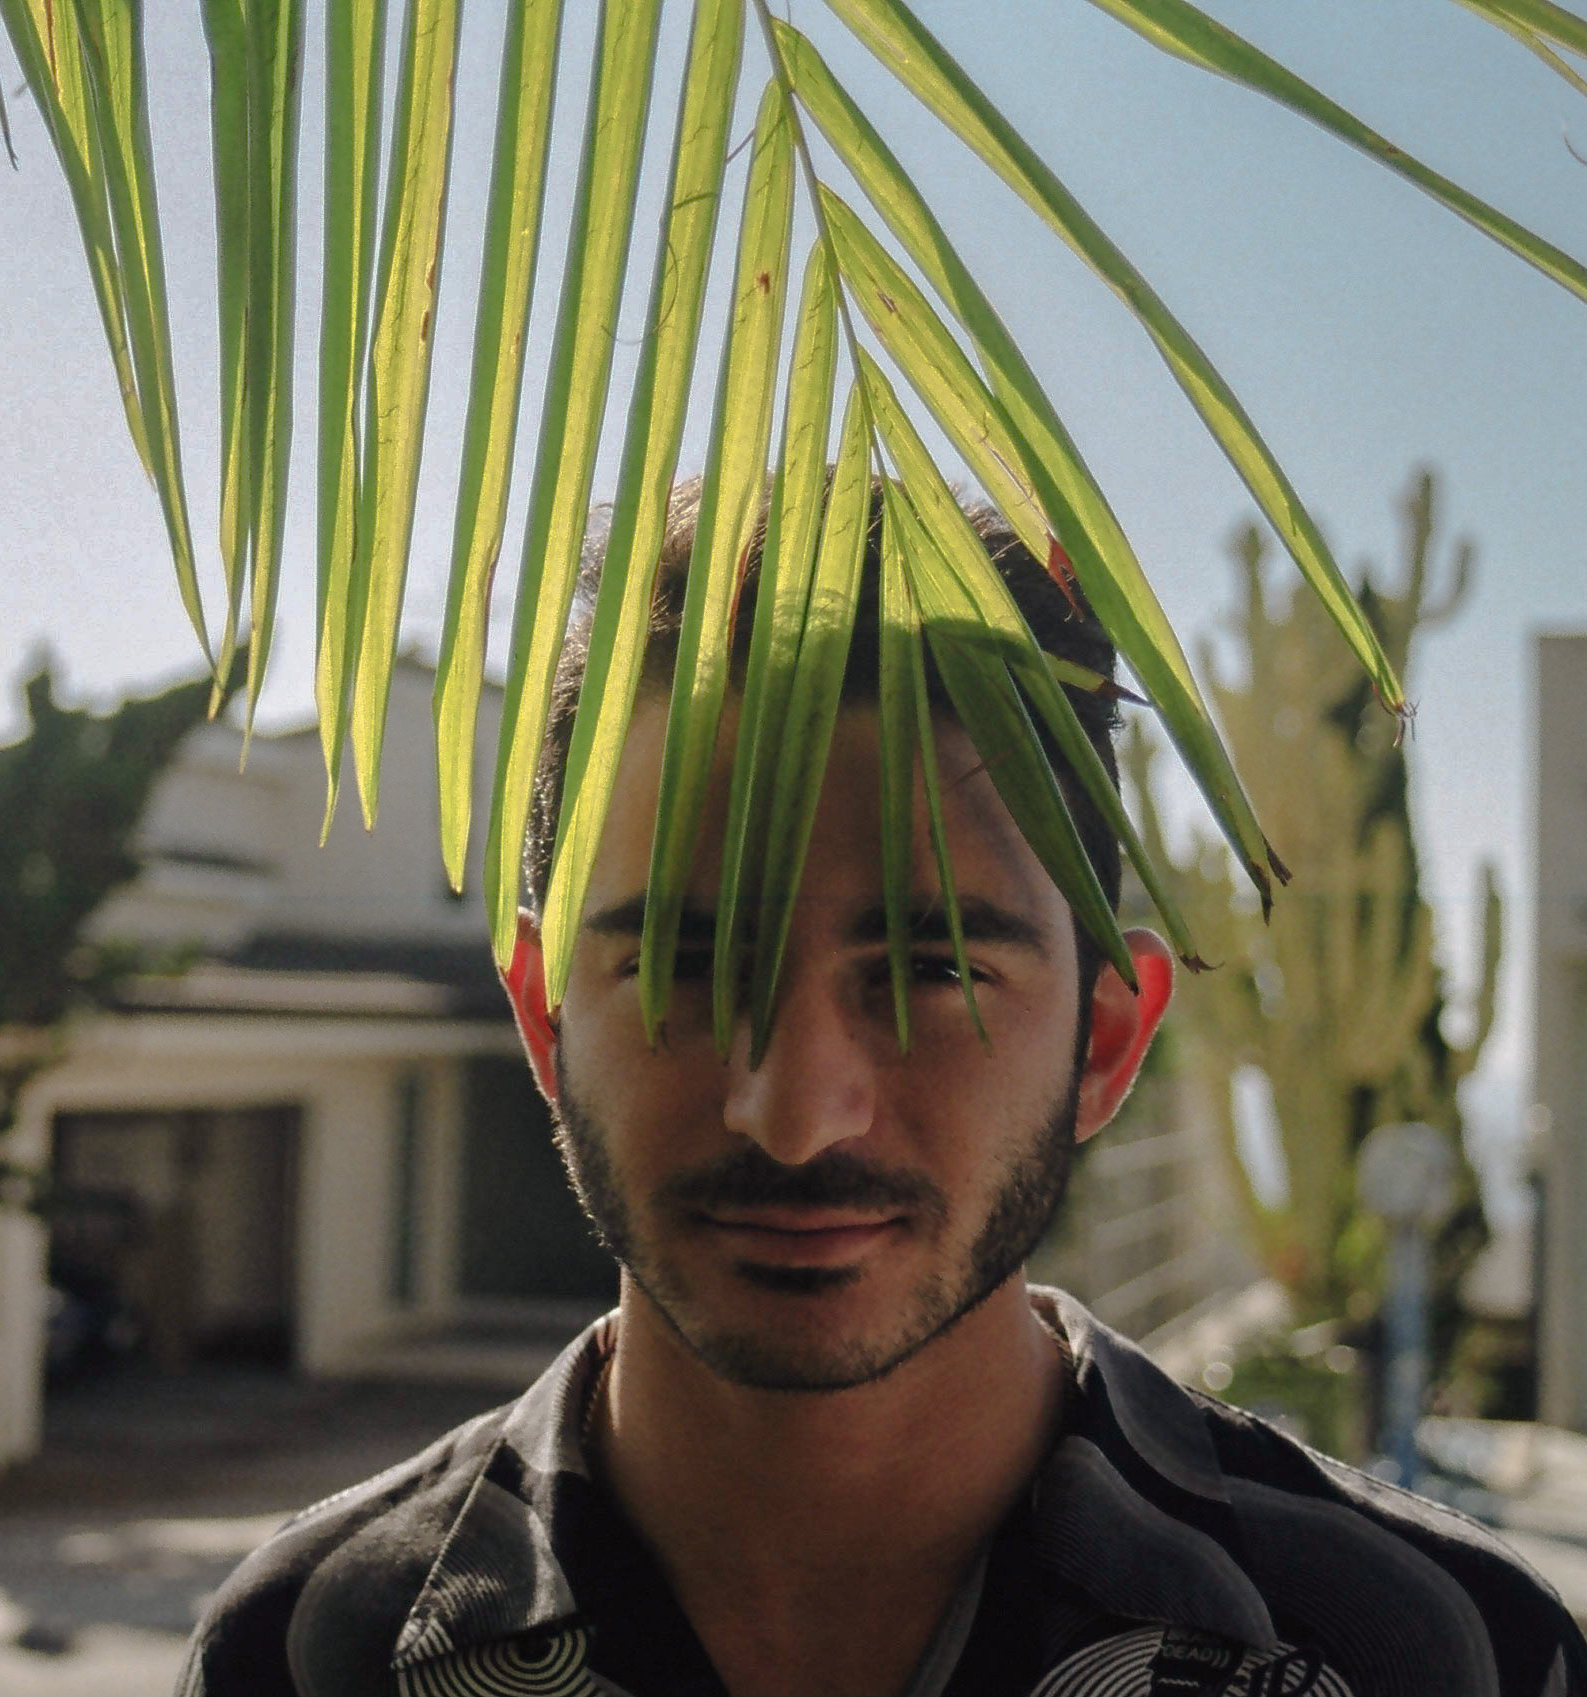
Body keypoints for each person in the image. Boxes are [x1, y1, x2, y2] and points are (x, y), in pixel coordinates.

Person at [176, 482, 1584, 1697]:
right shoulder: (305, 1658)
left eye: (931, 969)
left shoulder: (1432, 1655)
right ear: (545, 1016)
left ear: (1105, 1039)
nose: (792, 1113)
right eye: (683, 962)